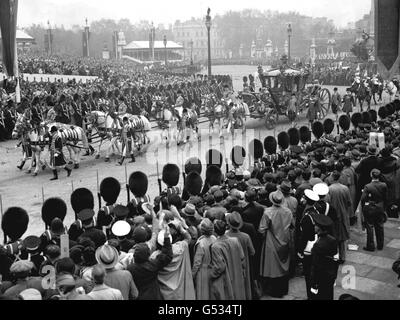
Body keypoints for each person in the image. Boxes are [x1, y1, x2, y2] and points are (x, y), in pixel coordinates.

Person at [259, 191, 294, 298]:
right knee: (284, 266)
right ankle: (283, 290)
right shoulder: (288, 212)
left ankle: (273, 290)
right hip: (285, 240)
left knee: (272, 267)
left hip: (271, 242)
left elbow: (262, 229)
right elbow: (292, 226)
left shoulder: (267, 212)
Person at [209, 219, 246, 300]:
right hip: (237, 274)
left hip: (226, 278)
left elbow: (219, 267)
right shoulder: (235, 240)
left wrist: (211, 274)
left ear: (215, 231)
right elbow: (242, 257)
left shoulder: (215, 246)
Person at [226, 212, 255, 300]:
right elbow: (252, 252)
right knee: (245, 284)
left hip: (231, 264)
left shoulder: (226, 236)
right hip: (244, 264)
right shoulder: (245, 236)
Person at [310, 214, 339, 300]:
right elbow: (335, 260)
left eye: (315, 225)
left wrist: (314, 283)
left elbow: (315, 266)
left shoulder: (317, 245)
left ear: (319, 228)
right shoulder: (332, 240)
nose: (314, 226)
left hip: (321, 278)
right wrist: (334, 276)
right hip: (330, 275)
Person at [328, 171, 352, 263]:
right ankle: (342, 257)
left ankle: (334, 256)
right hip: (343, 214)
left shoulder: (329, 189)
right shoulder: (345, 188)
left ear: (333, 178)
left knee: (333, 236)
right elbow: (349, 203)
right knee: (342, 237)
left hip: (333, 216)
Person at [192, 218, 216, 300]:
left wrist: (192, 275)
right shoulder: (214, 239)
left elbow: (197, 263)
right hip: (213, 269)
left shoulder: (200, 243)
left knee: (203, 295)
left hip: (202, 271)